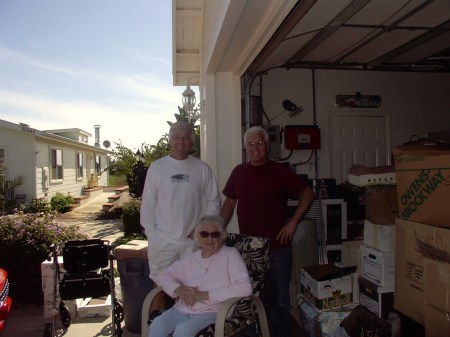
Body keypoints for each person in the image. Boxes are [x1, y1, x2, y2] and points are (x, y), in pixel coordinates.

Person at [220, 125, 315, 337]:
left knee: (279, 300)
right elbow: (229, 205)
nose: (255, 148)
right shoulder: (239, 172)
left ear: (267, 145)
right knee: (250, 298)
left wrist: (293, 223)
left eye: (259, 143)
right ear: (245, 147)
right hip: (249, 250)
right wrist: (216, 230)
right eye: (251, 144)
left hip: (277, 248)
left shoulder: (280, 171)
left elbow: (308, 194)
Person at [140, 121, 222, 285]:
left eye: (185, 138)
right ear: (170, 140)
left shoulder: (202, 168)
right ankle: (160, 313)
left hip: (191, 243)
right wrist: (152, 234)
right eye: (177, 137)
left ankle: (186, 312)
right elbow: (148, 203)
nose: (181, 142)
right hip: (162, 242)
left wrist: (201, 230)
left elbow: (214, 201)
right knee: (161, 289)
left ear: (191, 142)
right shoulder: (157, 168)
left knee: (192, 288)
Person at [149, 215, 252, 337]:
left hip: (213, 311)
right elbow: (163, 276)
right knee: (157, 325)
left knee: (183, 330)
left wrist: (207, 295)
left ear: (221, 236)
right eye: (204, 234)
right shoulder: (192, 258)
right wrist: (178, 289)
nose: (209, 239)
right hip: (183, 309)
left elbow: (245, 287)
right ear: (197, 236)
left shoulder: (230, 255)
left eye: (215, 234)